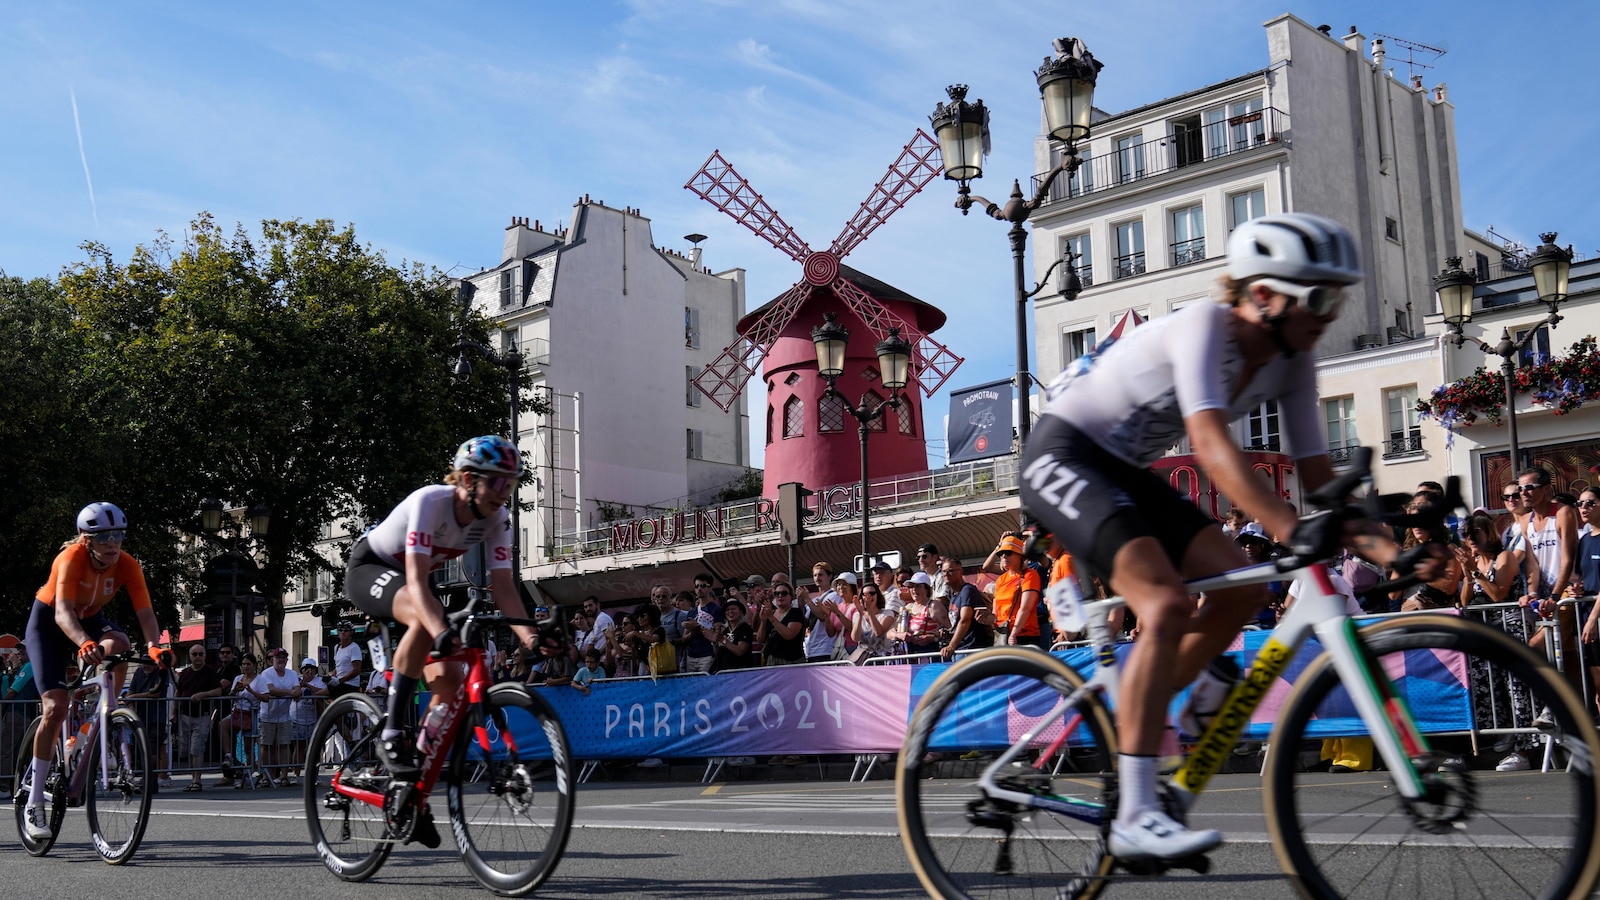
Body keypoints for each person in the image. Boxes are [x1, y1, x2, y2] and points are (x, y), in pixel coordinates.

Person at [1021, 214, 1427, 862]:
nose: (1329, 313)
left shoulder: (1292, 361)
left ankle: (1144, 713)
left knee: (1247, 588)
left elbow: (1317, 475)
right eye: (1318, 297)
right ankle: (1133, 814)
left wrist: (1388, 548)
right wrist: (1293, 529)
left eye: (1337, 298)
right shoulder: (1205, 327)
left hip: (1124, 469)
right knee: (1163, 604)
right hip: (1064, 453)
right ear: (1263, 294)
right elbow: (1210, 446)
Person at [343, 436, 539, 787]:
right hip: (373, 567)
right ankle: (390, 731)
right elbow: (417, 584)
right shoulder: (430, 502)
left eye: (510, 483)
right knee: (424, 618)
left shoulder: (497, 518)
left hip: (416, 581)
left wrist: (532, 637)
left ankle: (412, 783)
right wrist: (440, 631)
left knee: (448, 682)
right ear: (468, 479)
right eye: (497, 481)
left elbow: (505, 588)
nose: (504, 492)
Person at [22, 503, 167, 839]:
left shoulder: (128, 564)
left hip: (88, 619)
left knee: (119, 643)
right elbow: (62, 614)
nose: (113, 543)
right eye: (105, 537)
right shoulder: (71, 558)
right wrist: (85, 643)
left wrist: (154, 646)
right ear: (87, 540)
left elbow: (145, 613)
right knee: (55, 707)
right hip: (50, 621)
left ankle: (102, 714)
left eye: (118, 535)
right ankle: (34, 802)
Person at [175, 645, 225, 791]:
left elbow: (218, 691)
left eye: (200, 654)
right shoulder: (184, 673)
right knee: (187, 749)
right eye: (195, 654)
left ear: (204, 656)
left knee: (196, 748)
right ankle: (192, 780)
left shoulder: (210, 672)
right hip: (185, 715)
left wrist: (202, 695)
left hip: (202, 716)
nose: (197, 657)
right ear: (190, 656)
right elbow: (179, 691)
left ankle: (197, 780)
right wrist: (174, 711)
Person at [984, 534, 1045, 648]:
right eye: (1001, 554)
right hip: (1003, 634)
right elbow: (995, 612)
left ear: (1020, 555)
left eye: (1008, 553)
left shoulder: (1030, 575)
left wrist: (1014, 633)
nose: (1003, 557)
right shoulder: (1001, 579)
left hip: (1024, 635)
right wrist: (986, 619)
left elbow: (1026, 608)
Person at [250, 648, 300, 787]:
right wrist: (290, 692)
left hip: (284, 715)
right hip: (267, 715)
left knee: (284, 745)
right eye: (278, 657)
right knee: (266, 746)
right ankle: (266, 775)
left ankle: (284, 776)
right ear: (273, 659)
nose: (281, 660)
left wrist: (295, 692)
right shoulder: (267, 673)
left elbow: (298, 689)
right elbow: (270, 690)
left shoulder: (292, 673)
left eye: (284, 657)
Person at [939, 557, 992, 659]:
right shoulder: (954, 594)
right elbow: (957, 621)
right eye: (943, 571)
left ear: (961, 572)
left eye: (950, 571)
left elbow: (965, 620)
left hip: (970, 649)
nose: (946, 574)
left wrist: (951, 646)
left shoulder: (967, 590)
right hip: (960, 649)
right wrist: (949, 632)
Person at [756, 582, 807, 666]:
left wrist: (771, 618)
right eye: (777, 593)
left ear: (791, 596)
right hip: (771, 660)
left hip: (791, 661)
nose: (780, 596)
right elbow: (760, 639)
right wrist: (763, 621)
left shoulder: (795, 612)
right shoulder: (771, 613)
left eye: (784, 593)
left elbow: (789, 635)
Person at [711, 598, 755, 673]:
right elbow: (717, 652)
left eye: (733, 609)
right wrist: (714, 642)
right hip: (722, 670)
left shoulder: (745, 628)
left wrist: (723, 640)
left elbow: (740, 651)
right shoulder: (724, 630)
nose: (730, 612)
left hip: (739, 671)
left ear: (741, 612)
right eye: (727, 610)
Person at [327, 622, 365, 698]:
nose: (343, 632)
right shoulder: (337, 647)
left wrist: (340, 680)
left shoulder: (354, 647)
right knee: (317, 693)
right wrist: (331, 676)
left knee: (318, 694)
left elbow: (357, 670)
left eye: (346, 630)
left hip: (350, 686)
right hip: (339, 685)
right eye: (340, 630)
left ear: (351, 632)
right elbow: (338, 666)